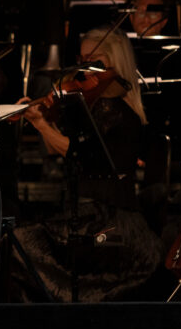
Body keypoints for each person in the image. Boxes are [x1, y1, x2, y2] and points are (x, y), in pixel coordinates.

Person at [18, 27, 162, 301]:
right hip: (88, 211)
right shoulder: (94, 106)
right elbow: (56, 148)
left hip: (110, 218)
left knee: (20, 244)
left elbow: (78, 153)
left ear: (115, 63)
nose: (86, 70)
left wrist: (43, 126)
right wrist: (43, 123)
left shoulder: (114, 107)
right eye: (83, 60)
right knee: (21, 242)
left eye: (96, 62)